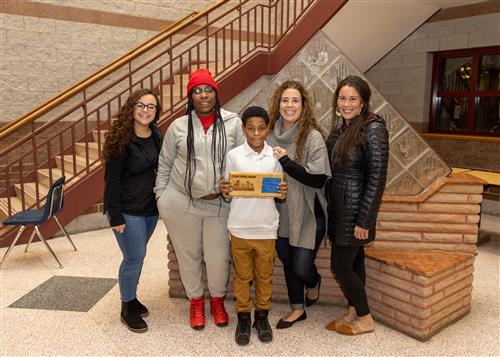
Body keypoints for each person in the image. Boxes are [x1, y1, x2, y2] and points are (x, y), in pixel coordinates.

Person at [155, 69, 245, 330]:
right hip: (182, 202)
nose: (203, 95)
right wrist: (162, 197)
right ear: (190, 96)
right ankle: (196, 302)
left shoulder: (233, 123)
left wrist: (235, 188)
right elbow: (165, 164)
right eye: (197, 90)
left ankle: (217, 301)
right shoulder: (178, 126)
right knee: (188, 255)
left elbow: (243, 160)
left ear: (216, 93)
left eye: (208, 90)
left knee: (218, 257)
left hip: (220, 203)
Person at [325, 75, 389, 335]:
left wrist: (365, 219)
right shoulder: (341, 128)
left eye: (353, 98)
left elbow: (377, 177)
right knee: (355, 263)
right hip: (340, 208)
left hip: (355, 211)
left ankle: (365, 317)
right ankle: (353, 310)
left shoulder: (373, 128)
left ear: (363, 102)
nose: (347, 103)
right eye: (342, 98)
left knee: (340, 266)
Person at [219, 106, 288, 346]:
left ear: (267, 129)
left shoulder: (275, 156)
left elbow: (279, 192)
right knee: (242, 276)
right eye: (250, 128)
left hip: (267, 227)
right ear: (243, 129)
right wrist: (225, 190)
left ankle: (262, 317)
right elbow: (228, 191)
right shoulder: (234, 155)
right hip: (239, 227)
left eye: (261, 128)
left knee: (264, 276)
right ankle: (243, 318)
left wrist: (281, 192)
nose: (256, 133)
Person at [267, 80, 331, 329]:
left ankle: (313, 283)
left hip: (308, 212)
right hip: (279, 211)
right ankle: (297, 309)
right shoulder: (270, 134)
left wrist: (286, 161)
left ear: (303, 105)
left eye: (295, 100)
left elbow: (317, 178)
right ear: (278, 104)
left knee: (301, 266)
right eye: (285, 100)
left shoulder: (313, 136)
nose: (289, 105)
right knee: (287, 261)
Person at [102, 88, 163, 333]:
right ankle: (127, 307)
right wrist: (115, 216)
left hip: (150, 209)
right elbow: (111, 181)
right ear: (131, 107)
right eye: (141, 105)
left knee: (138, 256)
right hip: (127, 211)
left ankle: (132, 297)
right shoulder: (120, 138)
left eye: (151, 106)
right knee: (133, 258)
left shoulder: (156, 134)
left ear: (156, 111)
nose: (146, 110)